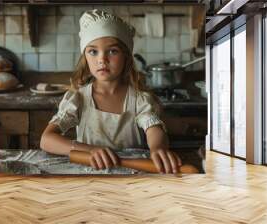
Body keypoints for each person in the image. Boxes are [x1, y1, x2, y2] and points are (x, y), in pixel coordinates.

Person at [40, 9, 181, 174]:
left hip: (131, 179)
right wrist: (89, 150)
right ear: (85, 57)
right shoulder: (78, 98)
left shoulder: (139, 99)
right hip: (89, 178)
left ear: (126, 57)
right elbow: (46, 140)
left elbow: (154, 129)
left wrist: (158, 148)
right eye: (93, 51)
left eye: (113, 51)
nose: (102, 59)